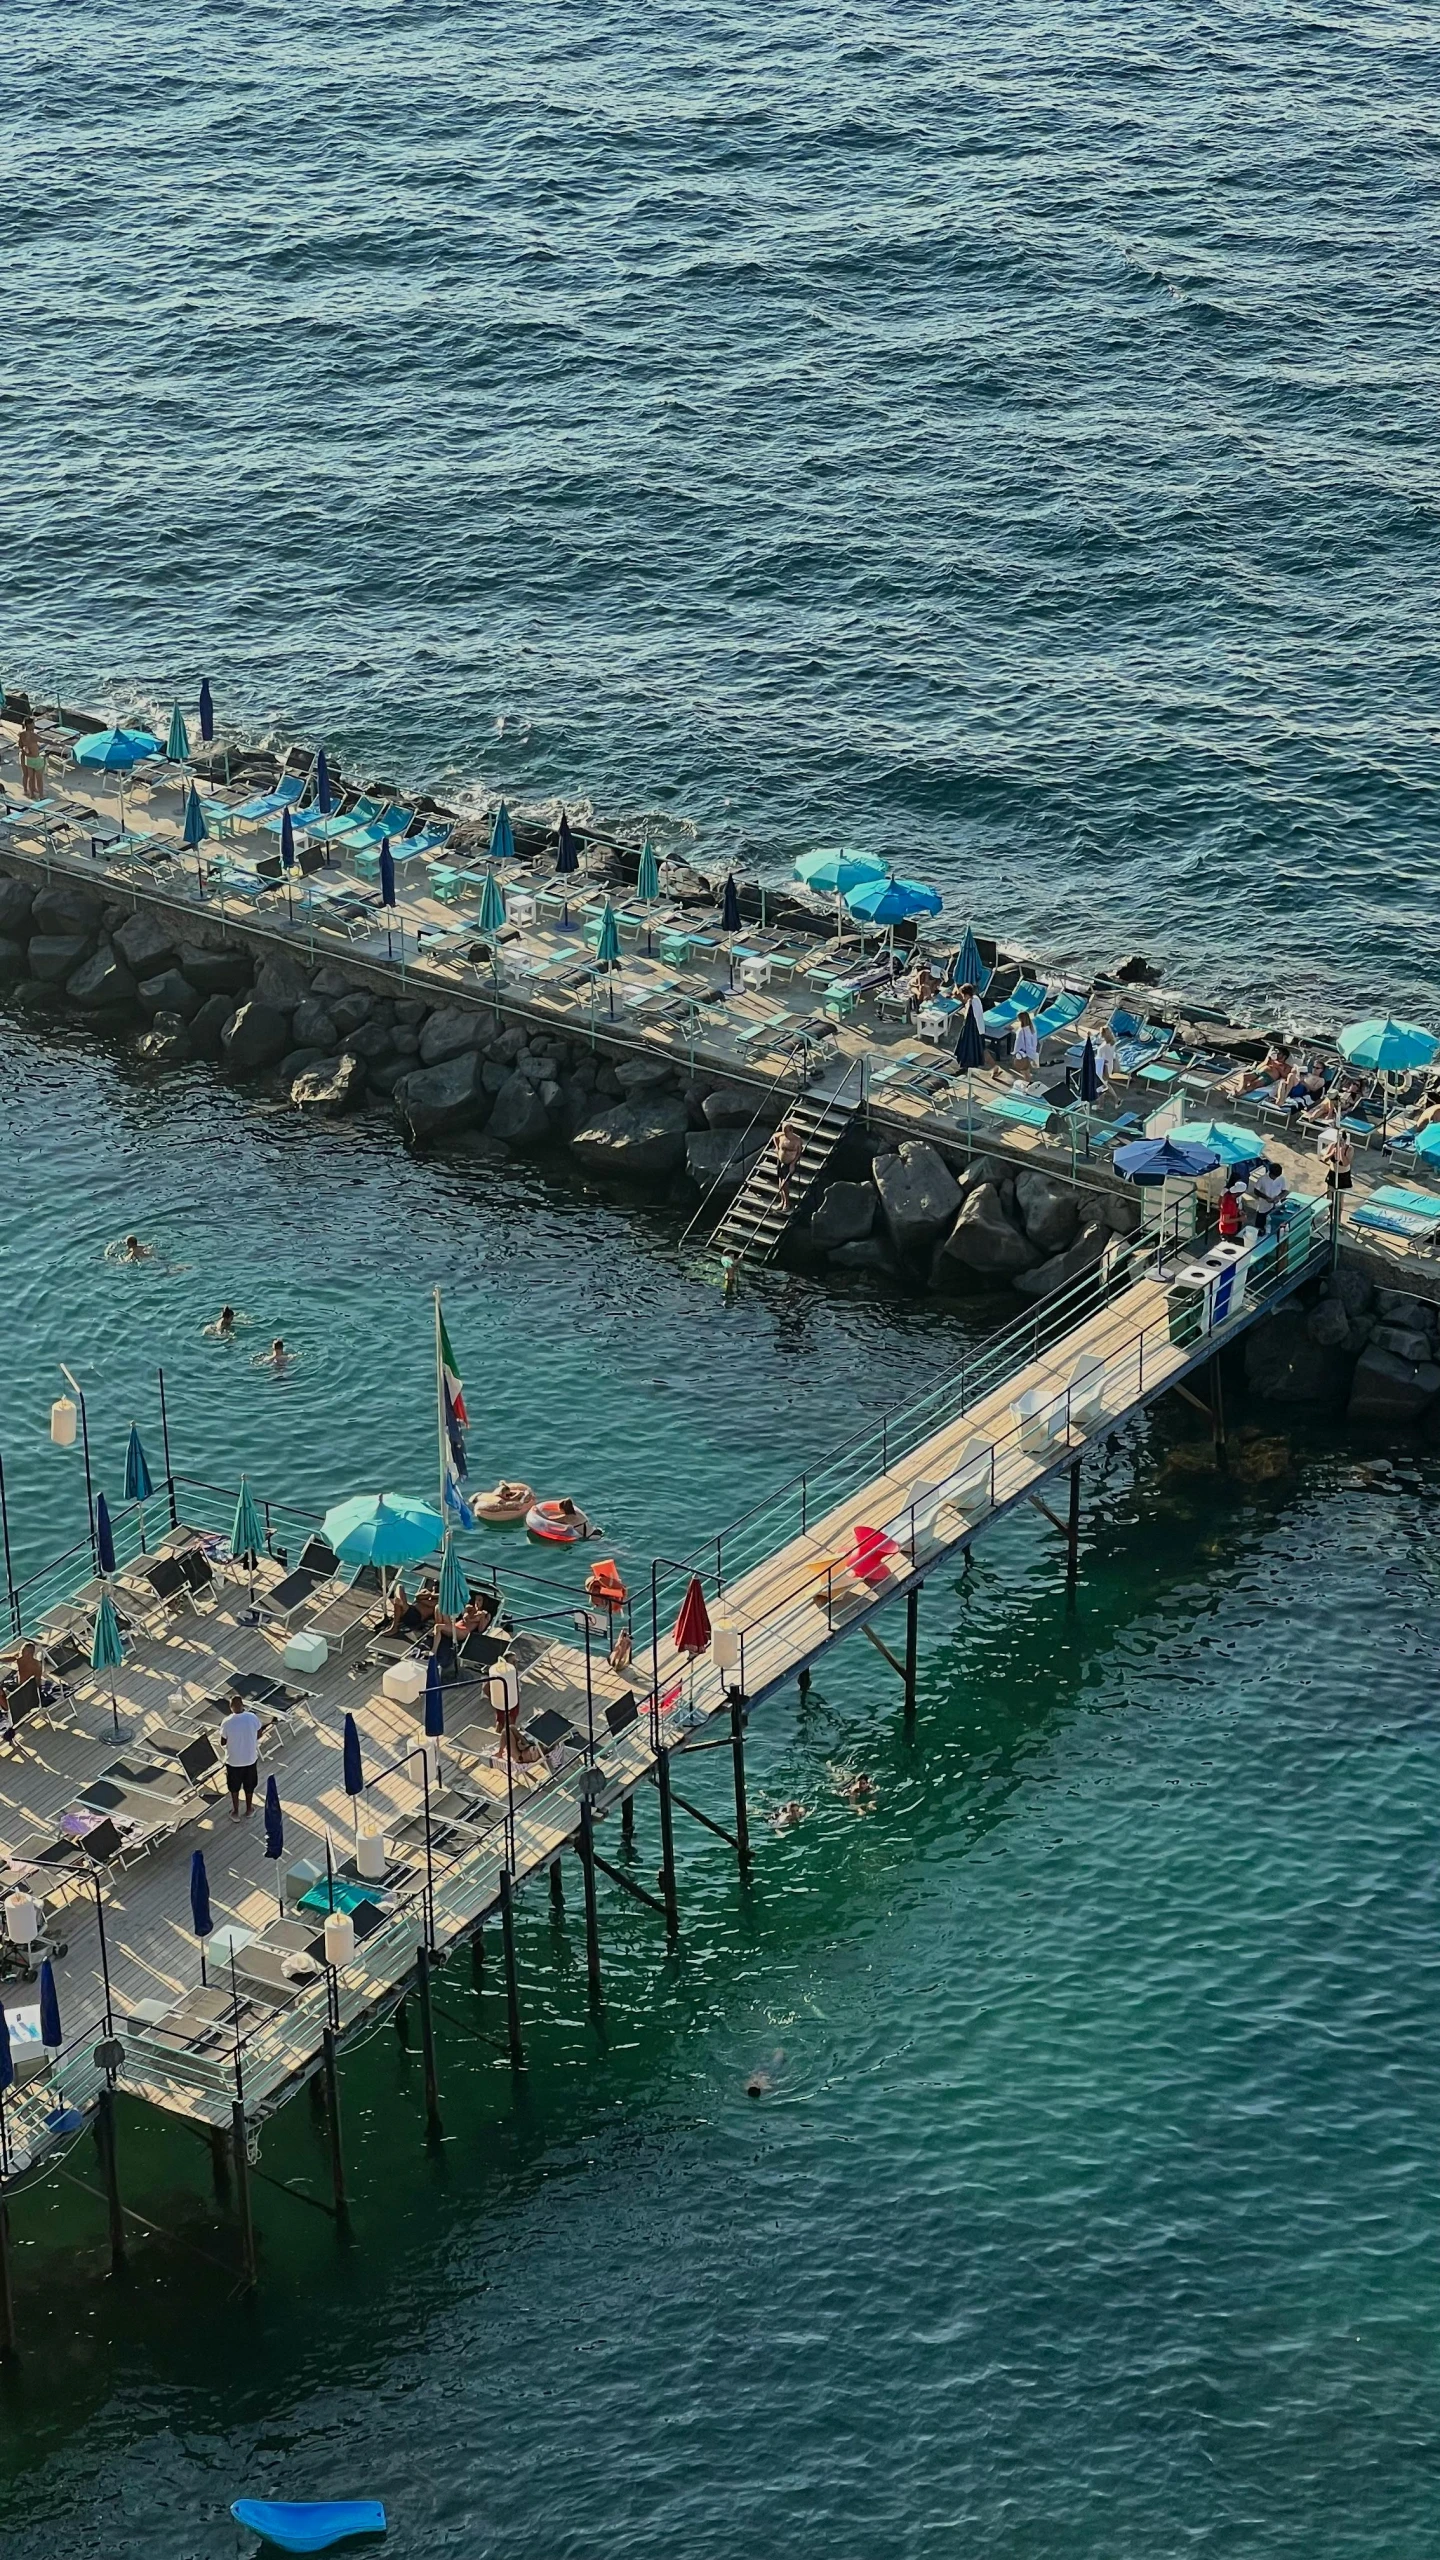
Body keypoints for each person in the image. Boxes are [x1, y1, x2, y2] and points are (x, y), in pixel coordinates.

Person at [219, 1693, 261, 1817]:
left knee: (234, 1788)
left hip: (233, 1761)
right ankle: (249, 1809)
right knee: (249, 1787)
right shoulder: (252, 1717)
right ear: (242, 1705)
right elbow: (259, 1733)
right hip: (250, 1759)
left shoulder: (227, 1722)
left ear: (230, 1707)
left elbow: (223, 1741)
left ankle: (235, 1811)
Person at [1247, 1158, 1289, 1235]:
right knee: (1260, 1225)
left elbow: (1285, 1191)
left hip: (1276, 1205)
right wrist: (1266, 1198)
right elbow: (1256, 1191)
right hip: (1263, 1207)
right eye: (1274, 1176)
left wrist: (1279, 1197)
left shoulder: (1282, 1179)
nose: (1276, 1178)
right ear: (1270, 1173)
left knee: (1274, 1224)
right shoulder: (1262, 1179)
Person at [773, 1119, 804, 1216]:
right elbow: (774, 1136)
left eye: (786, 1131)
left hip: (789, 1163)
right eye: (783, 1131)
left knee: (784, 1184)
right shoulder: (781, 1136)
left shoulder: (797, 1140)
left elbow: (799, 1153)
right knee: (780, 1182)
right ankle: (782, 1201)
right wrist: (777, 1148)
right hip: (781, 1161)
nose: (784, 1133)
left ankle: (787, 1204)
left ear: (791, 1130)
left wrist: (793, 1164)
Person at [1322, 1126, 1354, 1199]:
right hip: (1333, 1173)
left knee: (1339, 1198)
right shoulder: (1333, 1145)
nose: (1339, 1142)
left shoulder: (1350, 1149)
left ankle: (1339, 1210)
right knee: (1329, 1197)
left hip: (1343, 1175)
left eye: (1341, 1140)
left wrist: (1342, 1152)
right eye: (1338, 1139)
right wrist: (1332, 1153)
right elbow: (1324, 1159)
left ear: (1345, 1140)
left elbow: (1345, 1164)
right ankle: (1330, 1210)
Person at [17, 718, 46, 799]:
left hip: (27, 756)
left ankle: (32, 790)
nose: (34, 725)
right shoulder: (26, 734)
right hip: (25, 755)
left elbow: (25, 744)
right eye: (33, 723)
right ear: (29, 725)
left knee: (30, 775)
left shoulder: (26, 734)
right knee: (27, 775)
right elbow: (20, 746)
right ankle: (26, 790)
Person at [1011, 1009, 1040, 1081]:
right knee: (1027, 1071)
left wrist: (1014, 1052)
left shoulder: (1021, 1031)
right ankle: (1028, 1083)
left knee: (1025, 1071)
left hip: (1023, 1053)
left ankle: (1028, 1085)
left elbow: (1018, 1043)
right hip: (1031, 1052)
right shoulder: (1032, 1026)